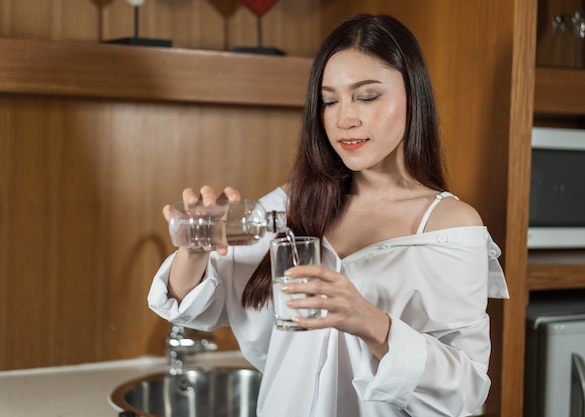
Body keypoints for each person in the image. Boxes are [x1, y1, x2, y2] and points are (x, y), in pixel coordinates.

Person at [148, 14, 509, 417]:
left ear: (414, 96)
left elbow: (465, 390)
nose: (343, 119)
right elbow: (196, 305)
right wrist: (195, 249)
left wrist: (370, 322)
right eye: (329, 100)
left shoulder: (450, 227)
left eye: (367, 96)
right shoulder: (289, 206)